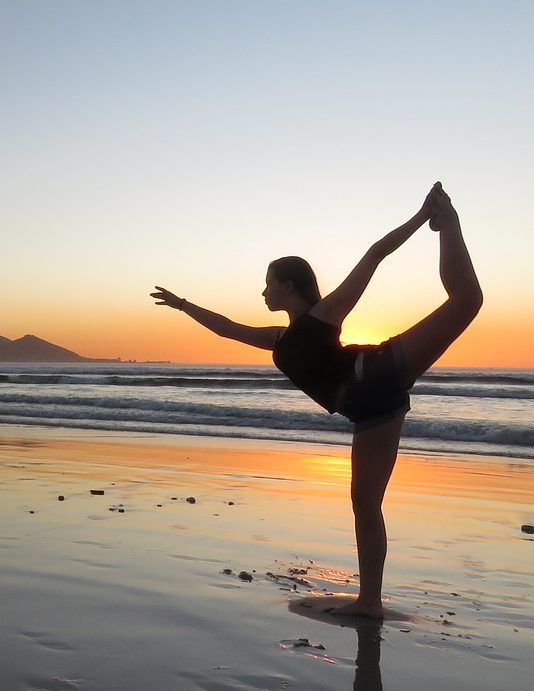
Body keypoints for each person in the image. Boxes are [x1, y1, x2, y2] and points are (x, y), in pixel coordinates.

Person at [151, 182, 482, 618]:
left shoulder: (323, 316)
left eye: (268, 285)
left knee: (466, 301)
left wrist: (423, 218)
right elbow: (226, 327)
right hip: (369, 409)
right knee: (364, 502)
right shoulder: (280, 338)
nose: (263, 293)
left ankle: (446, 220)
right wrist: (182, 305)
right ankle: (371, 601)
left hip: (379, 372)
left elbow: (373, 256)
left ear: (288, 286)